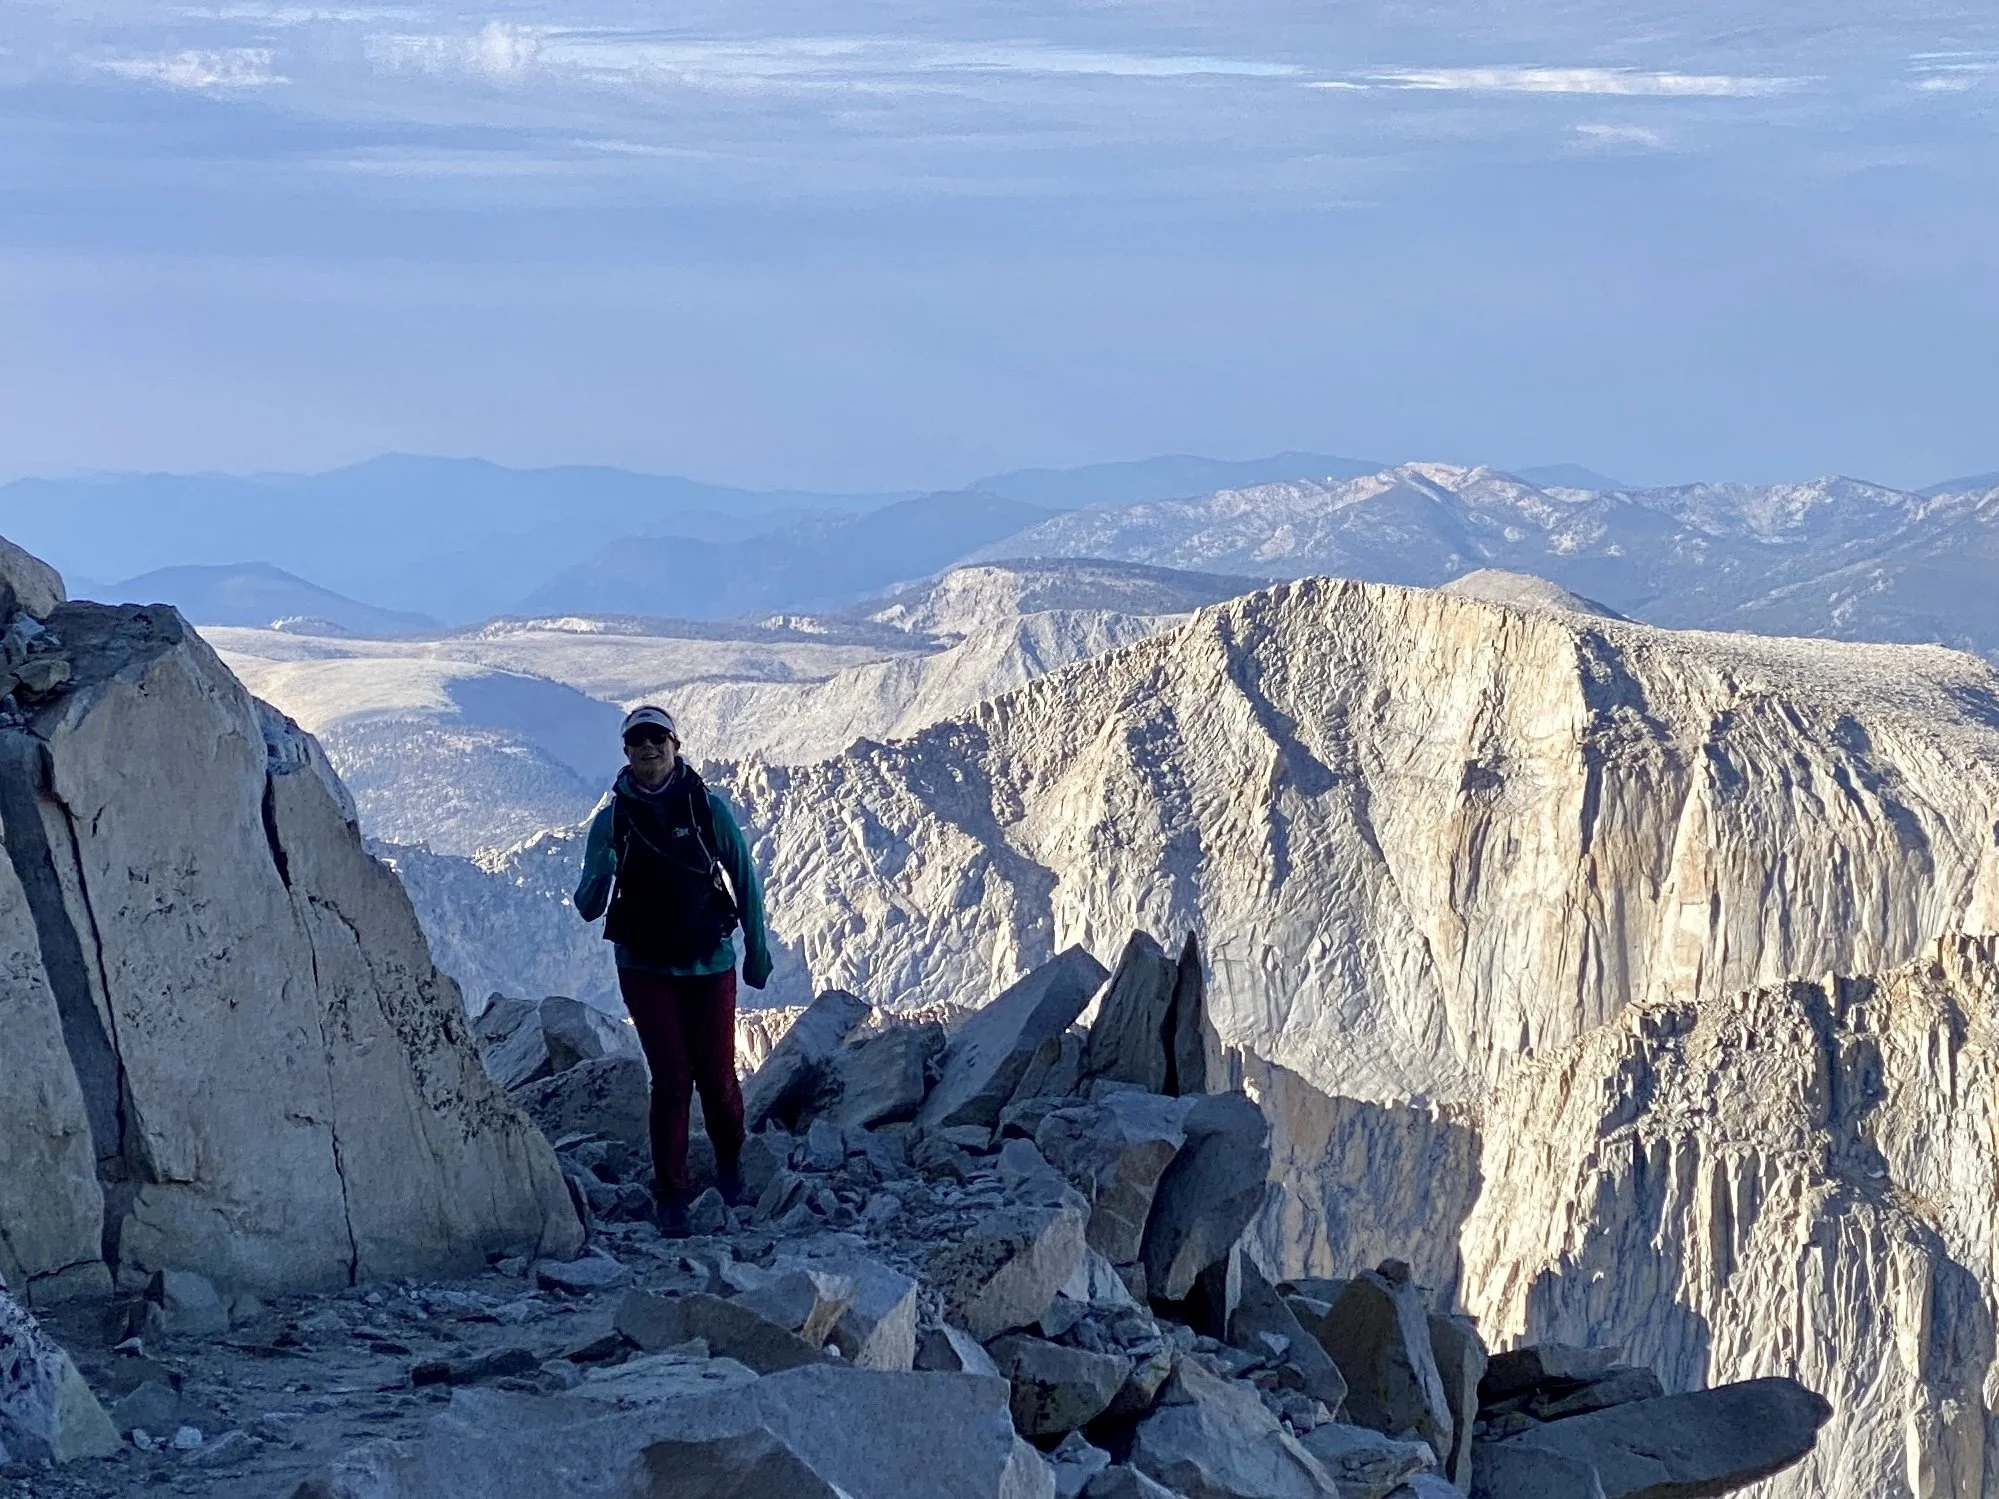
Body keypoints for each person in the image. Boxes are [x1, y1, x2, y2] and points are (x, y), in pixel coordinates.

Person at [573, 705, 772, 1237]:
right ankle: (672, 1195)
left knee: (717, 1075)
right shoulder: (613, 820)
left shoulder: (707, 808)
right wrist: (602, 872)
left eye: (657, 738)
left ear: (675, 745)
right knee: (671, 1077)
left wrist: (758, 949)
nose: (649, 748)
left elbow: (744, 877)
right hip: (644, 965)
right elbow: (589, 905)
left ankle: (730, 1164)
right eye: (638, 740)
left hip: (709, 961)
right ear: (626, 752)